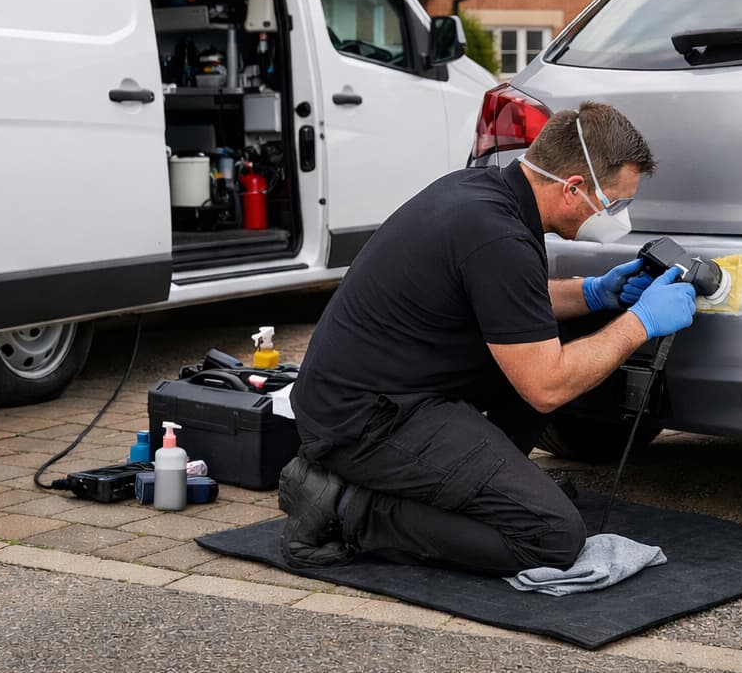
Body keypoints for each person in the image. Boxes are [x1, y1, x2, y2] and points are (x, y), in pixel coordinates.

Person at [281, 101, 697, 575]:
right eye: (616, 202)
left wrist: (597, 293)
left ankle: (484, 489)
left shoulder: (483, 194)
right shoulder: (498, 235)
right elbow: (546, 387)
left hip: (375, 395)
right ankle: (345, 507)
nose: (619, 214)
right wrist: (639, 321)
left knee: (558, 330)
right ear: (574, 188)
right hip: (365, 424)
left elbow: (511, 300)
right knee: (551, 537)